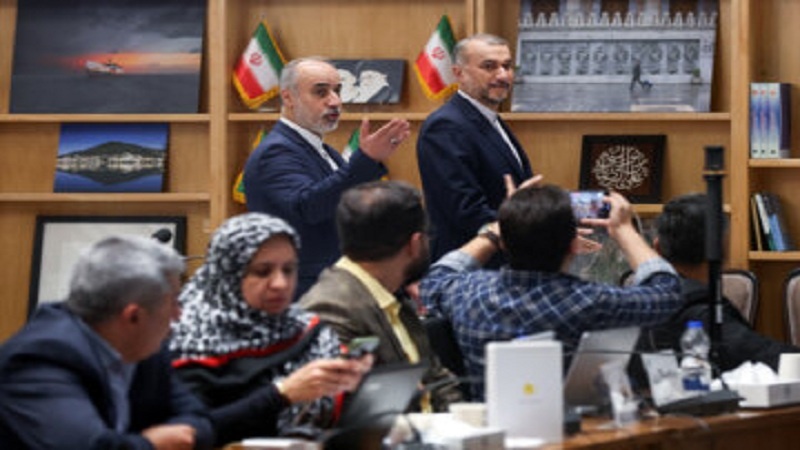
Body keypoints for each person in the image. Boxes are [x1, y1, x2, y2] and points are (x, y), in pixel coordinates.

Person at [420, 184, 683, 400]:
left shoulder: (468, 293)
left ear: (504, 244)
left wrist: (495, 231)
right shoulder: (589, 300)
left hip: (490, 432)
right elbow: (667, 291)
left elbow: (437, 277)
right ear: (574, 245)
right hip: (571, 432)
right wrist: (624, 231)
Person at [169, 213, 371, 446]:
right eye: (263, 272)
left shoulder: (307, 329)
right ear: (228, 273)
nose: (280, 284)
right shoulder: (190, 339)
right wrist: (282, 394)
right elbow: (189, 435)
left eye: (289, 270)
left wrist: (354, 382)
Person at [0, 235, 214, 450]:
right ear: (133, 317)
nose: (179, 315)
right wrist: (151, 444)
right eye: (174, 302)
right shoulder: (38, 359)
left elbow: (199, 421)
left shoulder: (143, 347)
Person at [243, 56, 411, 299]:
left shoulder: (322, 150)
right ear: (288, 97)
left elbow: (347, 208)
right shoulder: (276, 151)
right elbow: (309, 206)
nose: (335, 101)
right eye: (321, 92)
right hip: (304, 293)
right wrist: (365, 160)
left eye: (337, 91)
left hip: (335, 285)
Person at [300, 181, 463, 410]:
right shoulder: (331, 308)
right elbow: (346, 411)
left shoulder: (391, 294)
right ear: (415, 244)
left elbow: (439, 381)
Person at [638, 193, 799, 373]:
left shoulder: (634, 303)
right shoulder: (701, 311)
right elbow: (765, 356)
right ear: (723, 249)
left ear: (657, 248)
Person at [417, 33, 534, 263]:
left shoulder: (491, 118)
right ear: (459, 73)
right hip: (470, 267)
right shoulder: (445, 126)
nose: (503, 75)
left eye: (507, 66)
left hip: (505, 261)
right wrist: (538, 231)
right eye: (489, 66)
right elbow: (466, 211)